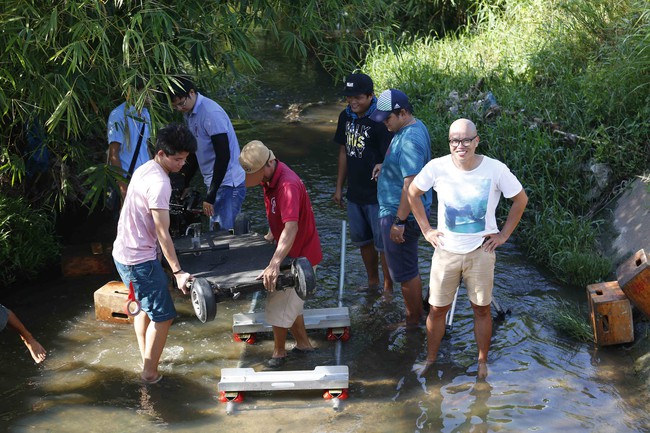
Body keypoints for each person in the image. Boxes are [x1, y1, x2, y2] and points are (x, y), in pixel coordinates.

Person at [407, 118, 528, 379]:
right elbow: (413, 192)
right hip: (446, 251)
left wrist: (504, 235)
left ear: (476, 141)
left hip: (481, 252)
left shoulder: (495, 170)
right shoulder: (437, 167)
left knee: (481, 308)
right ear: (449, 142)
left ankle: (482, 362)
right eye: (454, 140)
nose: (459, 145)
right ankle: (430, 359)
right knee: (437, 309)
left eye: (465, 140)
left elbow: (520, 199)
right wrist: (427, 229)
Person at [112, 123, 197, 384]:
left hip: (123, 253)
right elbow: (163, 232)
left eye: (185, 159)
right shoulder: (160, 184)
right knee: (164, 316)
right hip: (140, 260)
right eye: (178, 159)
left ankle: (145, 358)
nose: (182, 164)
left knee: (144, 310)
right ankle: (149, 373)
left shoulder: (144, 169)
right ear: (160, 154)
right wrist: (178, 272)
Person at [239, 140, 322, 368]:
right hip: (290, 250)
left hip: (300, 256)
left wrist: (274, 264)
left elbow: (291, 226)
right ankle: (304, 345)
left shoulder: (287, 185)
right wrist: (270, 234)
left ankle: (278, 353)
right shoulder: (270, 178)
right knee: (291, 305)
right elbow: (280, 216)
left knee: (278, 301)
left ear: (266, 166)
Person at [369, 89, 432, 328]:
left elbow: (412, 184)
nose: (384, 123)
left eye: (388, 118)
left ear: (403, 113)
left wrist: (400, 222)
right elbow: (407, 168)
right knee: (406, 269)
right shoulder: (411, 128)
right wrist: (386, 166)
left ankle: (413, 322)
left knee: (405, 272)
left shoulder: (409, 140)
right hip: (399, 210)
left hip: (401, 213)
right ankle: (416, 315)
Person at [332, 73, 393, 294]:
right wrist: (339, 186)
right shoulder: (345, 117)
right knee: (363, 241)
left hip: (378, 195)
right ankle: (372, 282)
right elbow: (343, 152)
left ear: (370, 95)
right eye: (349, 97)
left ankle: (388, 287)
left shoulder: (381, 119)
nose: (353, 102)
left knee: (383, 245)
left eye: (358, 97)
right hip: (354, 193)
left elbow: (390, 155)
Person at [169, 77, 246, 231]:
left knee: (223, 235)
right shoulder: (190, 113)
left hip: (228, 183)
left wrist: (210, 195)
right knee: (217, 232)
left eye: (181, 103)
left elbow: (224, 156)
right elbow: (195, 151)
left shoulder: (210, 113)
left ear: (192, 93)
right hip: (215, 182)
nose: (179, 108)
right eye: (175, 106)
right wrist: (184, 182)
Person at [107, 82, 152, 200]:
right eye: (148, 92)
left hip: (145, 178)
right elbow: (113, 153)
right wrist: (123, 186)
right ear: (135, 92)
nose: (152, 95)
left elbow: (145, 145)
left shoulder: (145, 114)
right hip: (128, 178)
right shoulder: (118, 115)